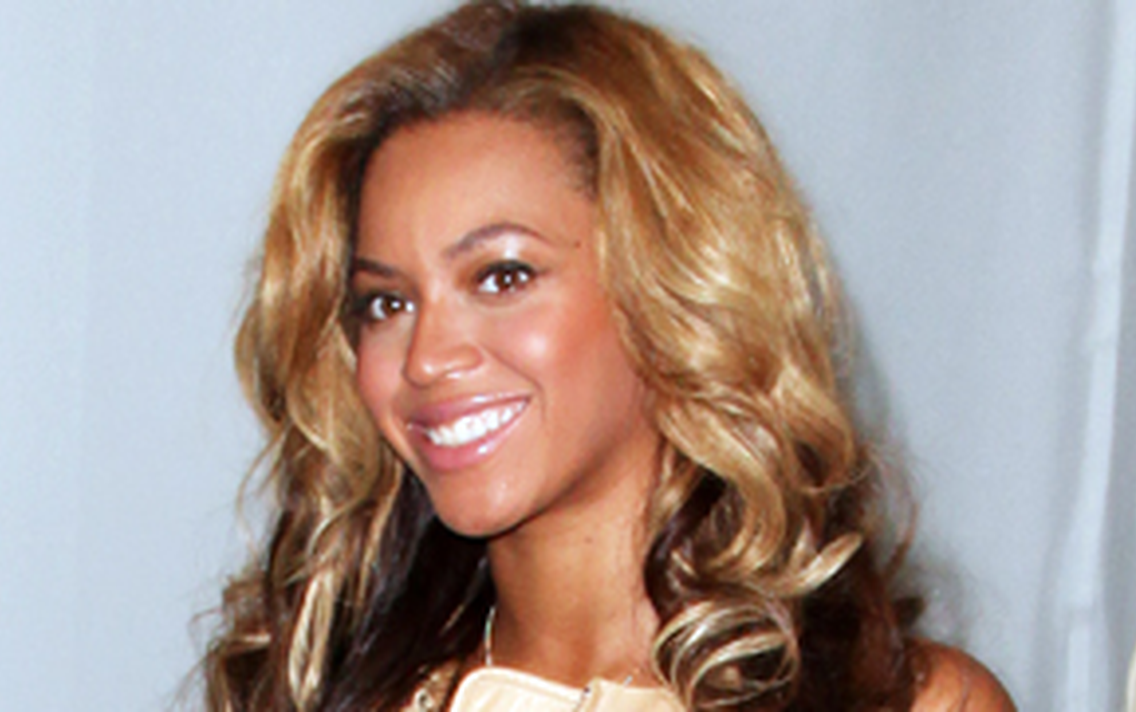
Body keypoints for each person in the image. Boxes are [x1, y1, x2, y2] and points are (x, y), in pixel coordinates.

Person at [202, 2, 1015, 710]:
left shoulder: (916, 703)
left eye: (502, 276)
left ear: (670, 286)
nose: (425, 358)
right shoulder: (317, 688)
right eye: (386, 303)